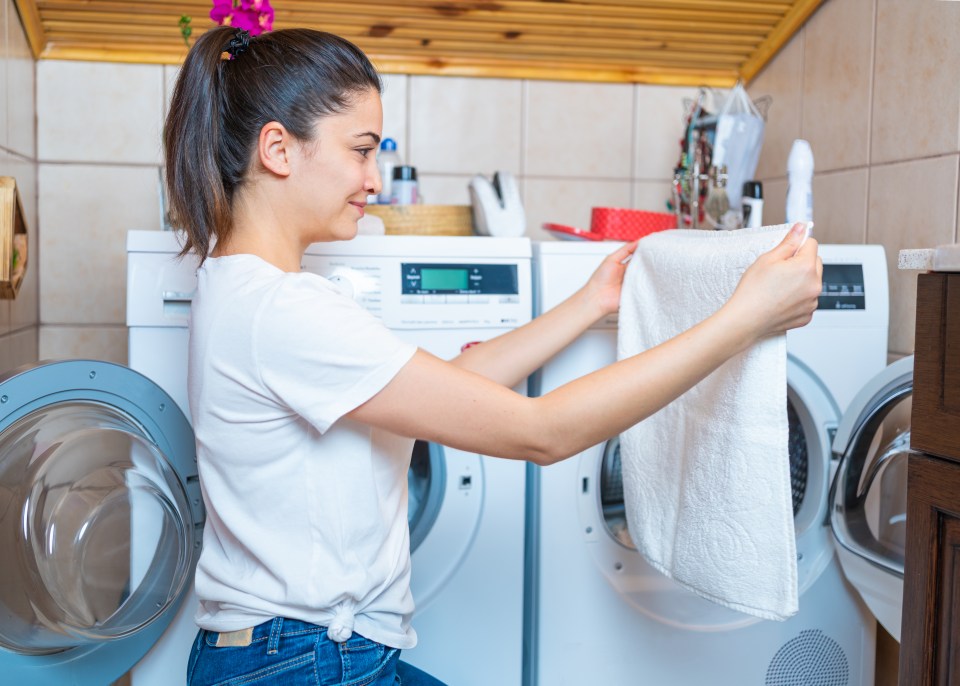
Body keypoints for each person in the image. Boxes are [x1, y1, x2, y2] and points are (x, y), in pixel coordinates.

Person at [164, 26, 823, 686]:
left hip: (284, 653)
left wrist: (589, 303)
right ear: (278, 148)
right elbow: (542, 432)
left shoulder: (240, 289)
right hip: (305, 662)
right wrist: (744, 319)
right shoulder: (287, 311)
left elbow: (442, 391)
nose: (374, 179)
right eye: (361, 150)